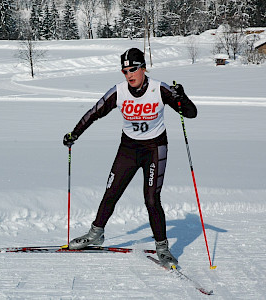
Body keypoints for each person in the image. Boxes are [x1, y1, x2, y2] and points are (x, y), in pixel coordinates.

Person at [63, 48, 197, 268]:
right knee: (111, 191)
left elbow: (191, 113)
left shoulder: (159, 89)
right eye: (125, 71)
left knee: (151, 199)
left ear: (143, 68)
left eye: (133, 69)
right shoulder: (119, 91)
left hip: (155, 148)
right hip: (129, 148)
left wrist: (182, 97)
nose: (129, 75)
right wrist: (74, 133)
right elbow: (94, 112)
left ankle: (162, 248)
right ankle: (96, 233)